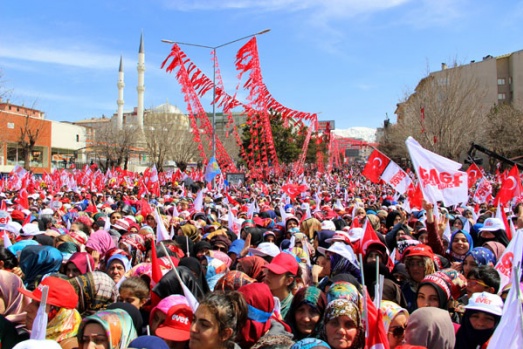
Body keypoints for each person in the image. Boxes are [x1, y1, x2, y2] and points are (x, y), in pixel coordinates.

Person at [19, 276, 82, 343]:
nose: (27, 309)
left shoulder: (70, 346)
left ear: (60, 314)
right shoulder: (30, 339)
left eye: (39, 306)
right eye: (32, 301)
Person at [263, 252, 300, 318]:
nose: (268, 275)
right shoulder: (260, 298)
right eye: (269, 271)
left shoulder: (293, 308)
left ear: (289, 281)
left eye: (275, 273)